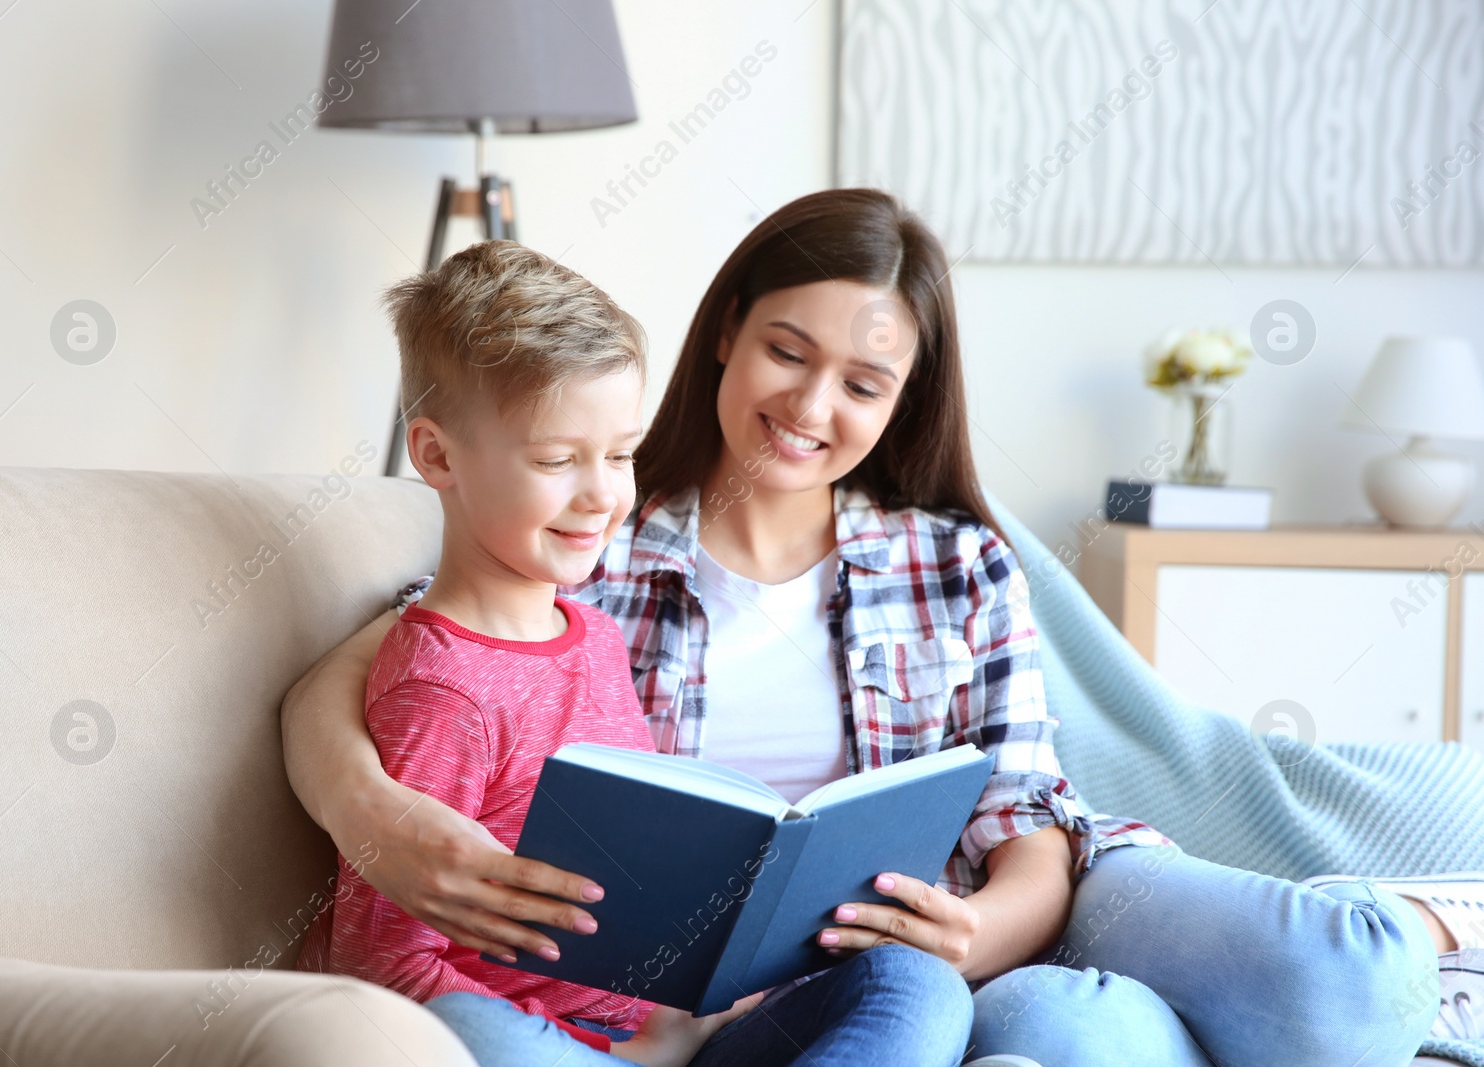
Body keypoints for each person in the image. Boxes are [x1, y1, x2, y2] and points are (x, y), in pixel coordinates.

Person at [285, 189, 1478, 1066]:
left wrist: (978, 932)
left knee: (1349, 979)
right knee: (1082, 1027)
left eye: (862, 383)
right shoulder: (596, 540)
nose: (809, 406)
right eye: (785, 352)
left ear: (904, 399)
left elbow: (1028, 809)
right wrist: (367, 806)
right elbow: (415, 651)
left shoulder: (949, 556)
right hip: (765, 994)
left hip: (989, 917)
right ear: (726, 331)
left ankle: (1423, 920)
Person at [295, 238, 970, 1067]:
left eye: (619, 454)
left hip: (668, 1031)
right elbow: (382, 970)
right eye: (555, 460)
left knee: (916, 982)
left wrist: (700, 996)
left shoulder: (598, 634)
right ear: (435, 455)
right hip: (544, 1045)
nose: (604, 493)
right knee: (470, 1035)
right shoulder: (440, 689)